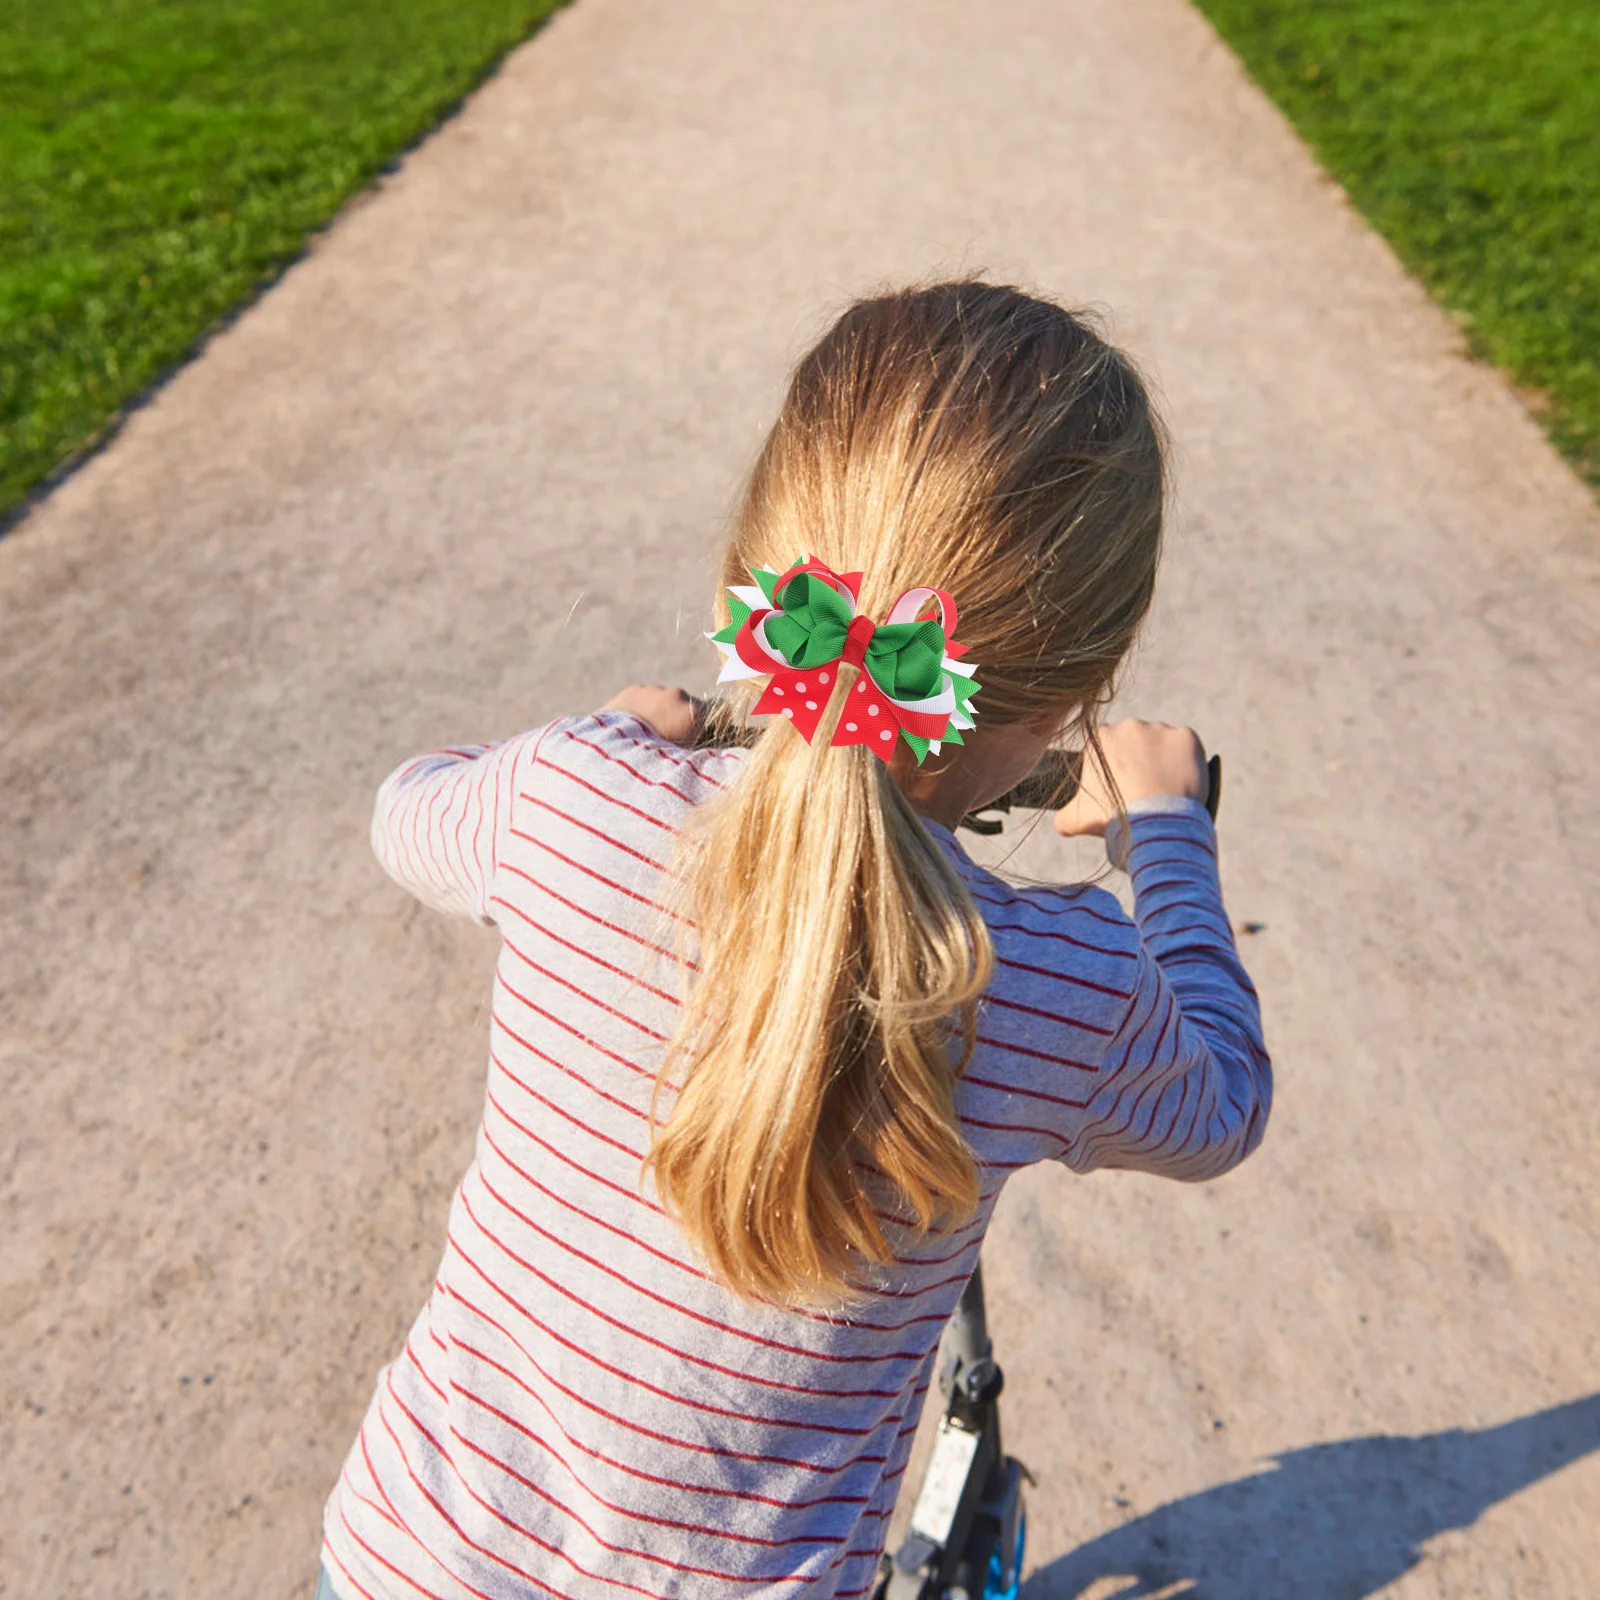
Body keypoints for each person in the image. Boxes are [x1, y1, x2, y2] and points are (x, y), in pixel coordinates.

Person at [316, 282, 1271, 1600]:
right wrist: (1164, 832)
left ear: (761, 570)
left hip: (407, 1561)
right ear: (1079, 691)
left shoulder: (573, 798)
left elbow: (403, 813)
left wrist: (599, 737)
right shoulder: (1065, 981)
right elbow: (1221, 1104)